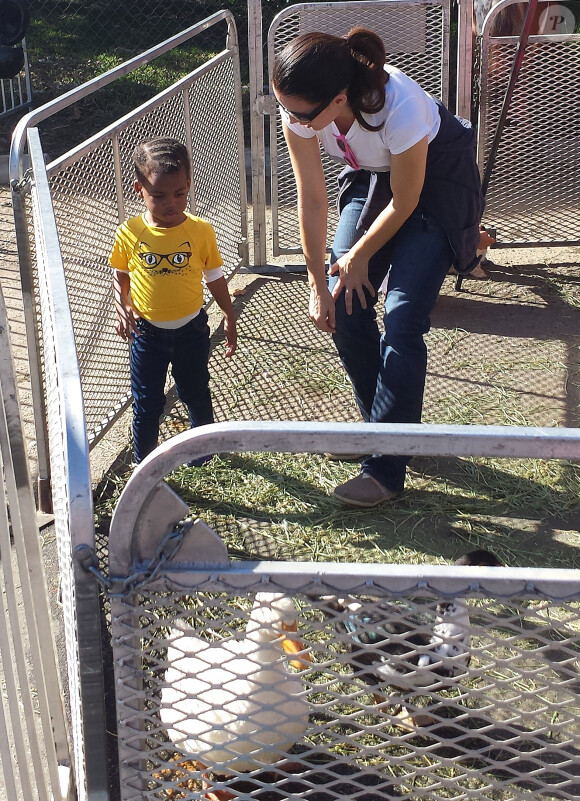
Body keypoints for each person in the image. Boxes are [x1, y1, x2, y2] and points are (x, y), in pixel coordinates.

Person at [272, 27, 484, 507]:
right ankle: (387, 430)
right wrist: (316, 279)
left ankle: (386, 470)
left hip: (435, 189)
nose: (292, 120)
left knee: (402, 318)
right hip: (376, 180)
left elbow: (409, 200)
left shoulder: (400, 105)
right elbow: (312, 197)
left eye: (301, 112)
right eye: (284, 107)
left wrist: (359, 255)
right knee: (345, 305)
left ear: (339, 98)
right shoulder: (302, 115)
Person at [110, 137, 237, 465]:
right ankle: (144, 469)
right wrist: (122, 305)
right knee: (147, 404)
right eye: (159, 195)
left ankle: (203, 457)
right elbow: (120, 274)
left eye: (180, 193)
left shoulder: (200, 230)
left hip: (191, 331)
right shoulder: (129, 232)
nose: (171, 203)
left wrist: (228, 313)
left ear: (189, 186)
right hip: (146, 334)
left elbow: (214, 276)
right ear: (140, 191)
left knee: (194, 393)